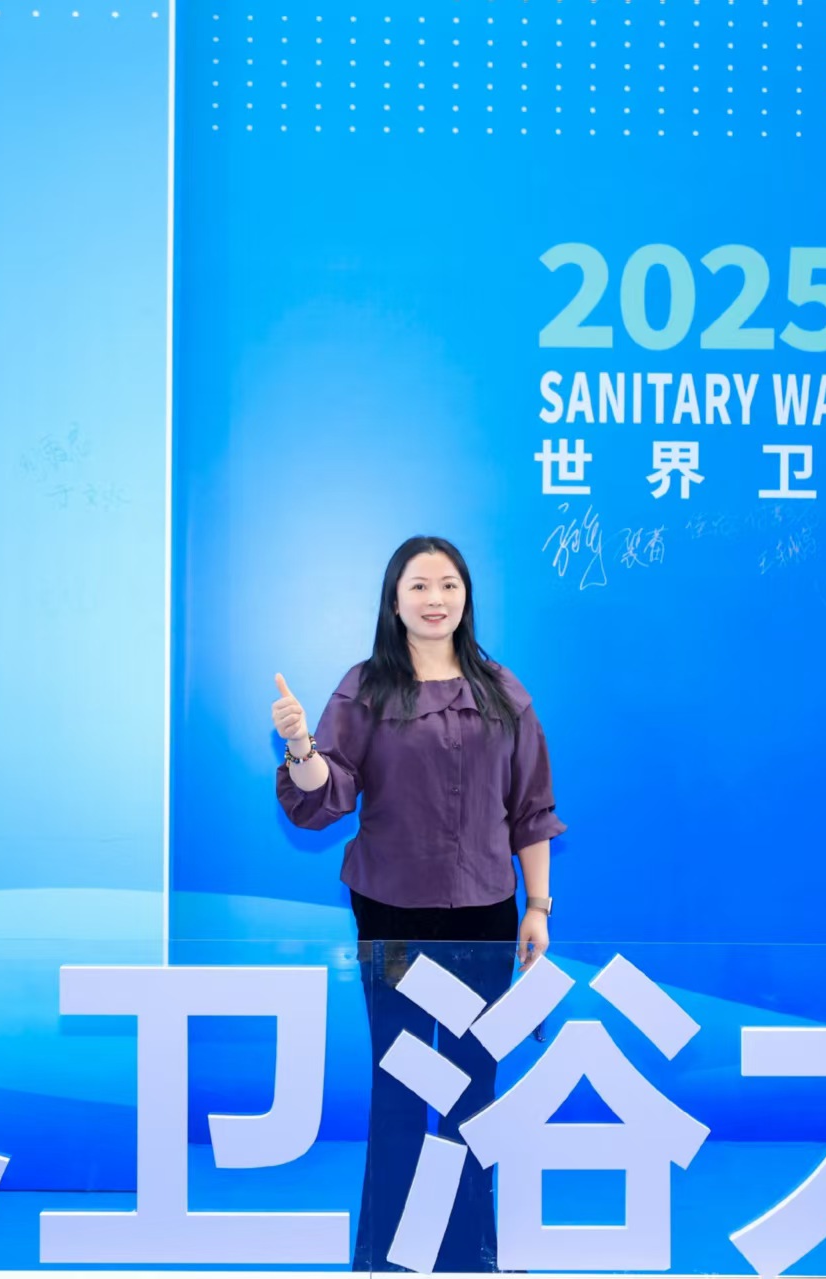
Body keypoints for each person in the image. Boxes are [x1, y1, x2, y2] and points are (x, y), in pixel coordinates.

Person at [270, 534, 566, 1272]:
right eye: (419, 586)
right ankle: (388, 1260)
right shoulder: (365, 688)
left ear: (466, 598)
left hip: (485, 915)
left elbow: (531, 809)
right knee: (401, 1080)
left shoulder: (503, 690)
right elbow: (326, 795)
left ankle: (469, 1255)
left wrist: (537, 907)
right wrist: (302, 748)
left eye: (449, 585)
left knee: (473, 1086)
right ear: (394, 601)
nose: (436, 599)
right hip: (391, 912)